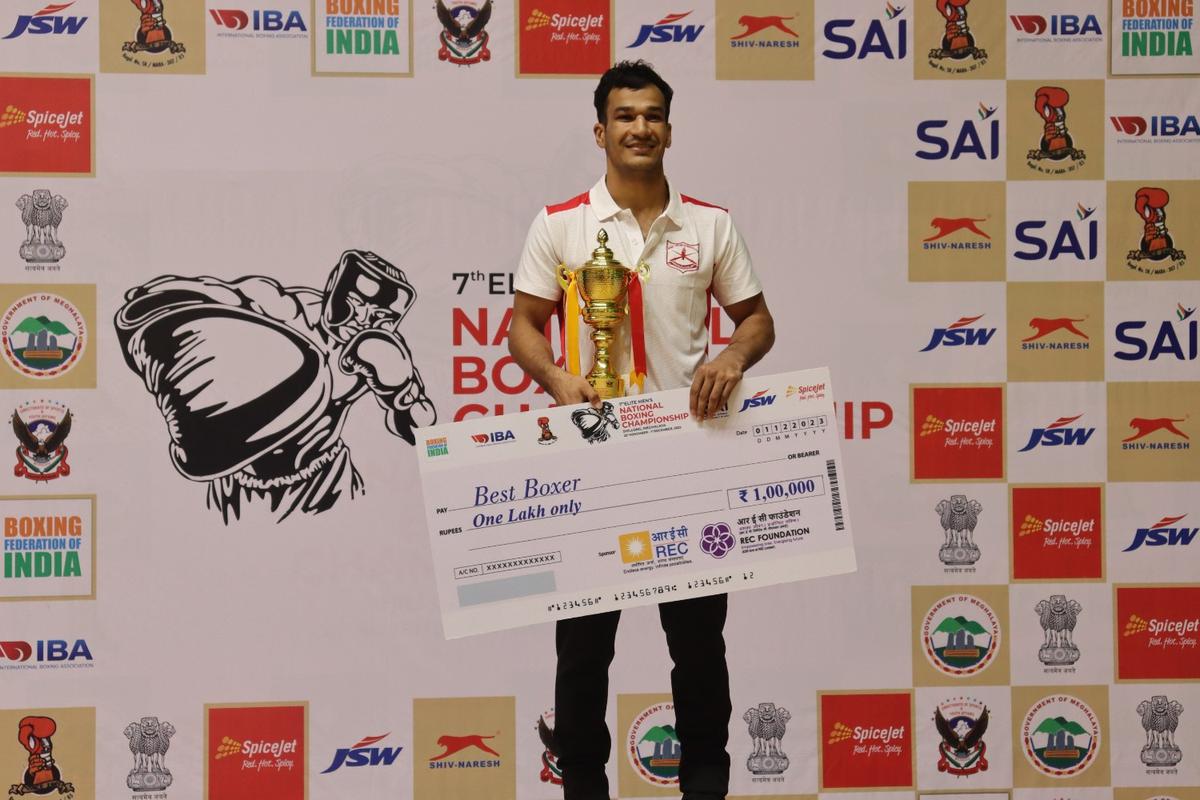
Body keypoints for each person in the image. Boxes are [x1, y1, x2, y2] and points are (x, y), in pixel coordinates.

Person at [508, 60, 775, 800]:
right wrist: (561, 380)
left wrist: (731, 352)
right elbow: (522, 329)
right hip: (593, 463)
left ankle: (705, 782)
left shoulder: (710, 224)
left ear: (669, 128)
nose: (640, 127)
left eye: (652, 114)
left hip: (686, 460)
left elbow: (757, 319)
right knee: (583, 649)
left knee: (696, 644)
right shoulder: (560, 224)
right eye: (625, 116)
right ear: (601, 130)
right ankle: (584, 786)